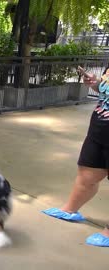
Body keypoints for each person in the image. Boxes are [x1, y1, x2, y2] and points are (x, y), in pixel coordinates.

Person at [42, 67, 109, 247]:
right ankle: (70, 209)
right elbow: (105, 89)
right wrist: (95, 83)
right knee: (87, 174)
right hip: (99, 127)